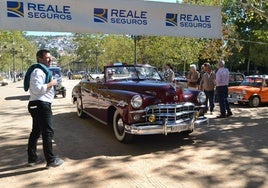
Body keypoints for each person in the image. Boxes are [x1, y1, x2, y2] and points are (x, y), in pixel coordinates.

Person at [24, 49, 64, 168]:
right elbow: (37, 89)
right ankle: (51, 161)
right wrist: (52, 83)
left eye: (51, 57)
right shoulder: (38, 71)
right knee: (47, 132)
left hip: (36, 104)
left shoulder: (39, 70)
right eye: (47, 57)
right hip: (41, 105)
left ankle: (32, 159)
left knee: (36, 132)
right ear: (39, 59)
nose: (50, 59)